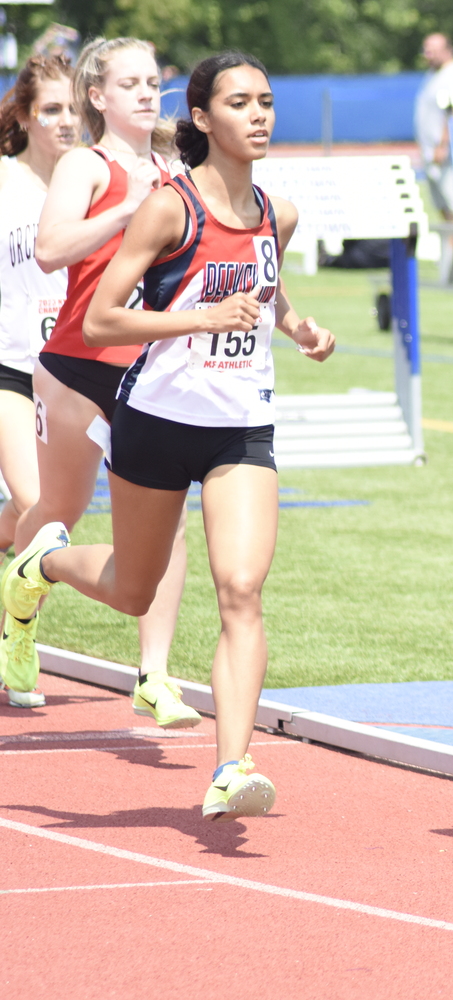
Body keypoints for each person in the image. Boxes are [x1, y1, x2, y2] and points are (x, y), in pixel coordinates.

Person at [2, 51, 334, 820]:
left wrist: (299, 327)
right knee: (131, 589)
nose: (259, 115)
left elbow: (267, 286)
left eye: (267, 101)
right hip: (155, 420)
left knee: (242, 590)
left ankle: (232, 764)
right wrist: (201, 319)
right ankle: (44, 559)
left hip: (240, 428)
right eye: (241, 103)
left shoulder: (277, 213)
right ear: (205, 118)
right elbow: (101, 318)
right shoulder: (169, 208)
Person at [5, 37, 194, 723]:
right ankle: (20, 615)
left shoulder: (179, 164)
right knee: (57, 510)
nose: (147, 93)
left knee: (168, 519)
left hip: (151, 371)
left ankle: (154, 673)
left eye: (154, 81)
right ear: (98, 96)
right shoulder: (87, 164)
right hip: (78, 364)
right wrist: (127, 208)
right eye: (131, 83)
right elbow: (52, 249)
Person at [0, 55, 77, 707]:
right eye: (51, 109)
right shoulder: (2, 183)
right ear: (23, 116)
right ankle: (18, 633)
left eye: (75, 108)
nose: (65, 122)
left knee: (23, 520)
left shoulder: (92, 183)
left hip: (68, 374)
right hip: (6, 369)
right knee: (38, 508)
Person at [414, 33, 453, 224]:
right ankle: (452, 252)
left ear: (447, 50)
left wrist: (443, 145)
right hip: (432, 154)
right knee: (442, 208)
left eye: (433, 51)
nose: (428, 55)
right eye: (426, 50)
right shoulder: (432, 74)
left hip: (451, 155)